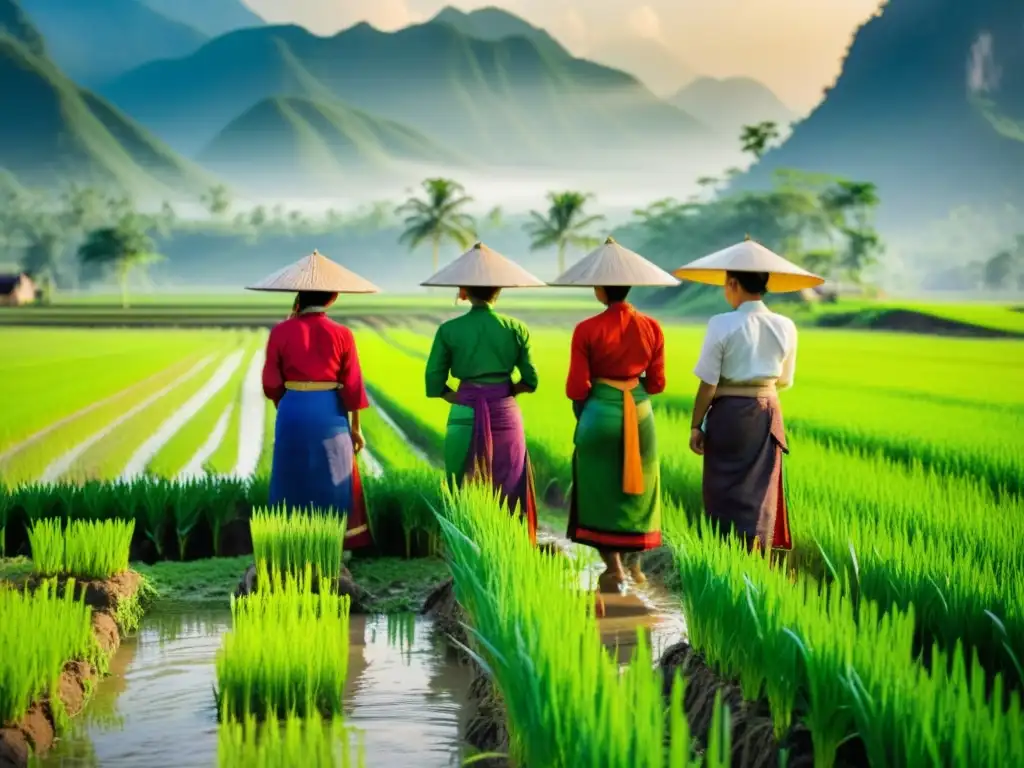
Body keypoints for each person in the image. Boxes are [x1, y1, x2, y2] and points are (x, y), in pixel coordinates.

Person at [673, 237, 824, 555]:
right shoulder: (786, 325)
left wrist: (695, 425)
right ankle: (756, 556)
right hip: (767, 413)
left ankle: (725, 555)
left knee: (722, 489)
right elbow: (785, 380)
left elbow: (708, 383)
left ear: (732, 283)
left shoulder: (721, 323)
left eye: (726, 286)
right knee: (760, 489)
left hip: (728, 414)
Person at [549, 237, 680, 592]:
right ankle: (636, 565)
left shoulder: (587, 329)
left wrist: (595, 399)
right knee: (639, 489)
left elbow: (576, 388)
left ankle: (614, 567)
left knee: (599, 490)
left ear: (601, 288)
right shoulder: (652, 327)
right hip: (639, 413)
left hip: (599, 415)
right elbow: (657, 384)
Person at [247, 249, 381, 551]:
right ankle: (331, 544)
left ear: (299, 296)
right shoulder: (342, 333)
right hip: (329, 410)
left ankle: (289, 542)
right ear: (332, 298)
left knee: (291, 474)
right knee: (333, 473)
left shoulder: (281, 331)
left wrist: (290, 404)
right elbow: (353, 384)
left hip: (293, 407)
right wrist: (356, 428)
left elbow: (271, 382)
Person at [422, 242, 547, 543]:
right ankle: (509, 545)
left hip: (465, 410)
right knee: (509, 481)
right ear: (498, 291)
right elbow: (530, 379)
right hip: (505, 412)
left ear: (465, 290)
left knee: (463, 483)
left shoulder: (449, 330)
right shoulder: (515, 327)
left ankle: (469, 546)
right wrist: (504, 392)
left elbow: (434, 381)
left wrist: (461, 396)